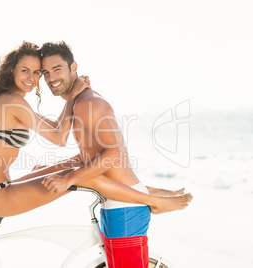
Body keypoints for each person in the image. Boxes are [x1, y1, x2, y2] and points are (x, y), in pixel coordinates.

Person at [0, 41, 192, 221]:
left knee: (78, 164)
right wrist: (75, 95)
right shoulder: (12, 101)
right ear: (12, 71)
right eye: (25, 71)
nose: (32, 78)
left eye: (37, 72)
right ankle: (154, 202)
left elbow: (57, 130)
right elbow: (59, 136)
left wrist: (74, 97)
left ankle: (145, 190)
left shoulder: (10, 100)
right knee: (79, 177)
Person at [38, 41, 193, 268]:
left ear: (74, 68)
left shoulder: (88, 103)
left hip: (125, 210)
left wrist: (69, 178)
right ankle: (153, 197)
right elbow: (90, 160)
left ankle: (154, 200)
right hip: (117, 205)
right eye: (45, 73)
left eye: (57, 69)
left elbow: (113, 155)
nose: (51, 78)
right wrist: (47, 170)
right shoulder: (80, 103)